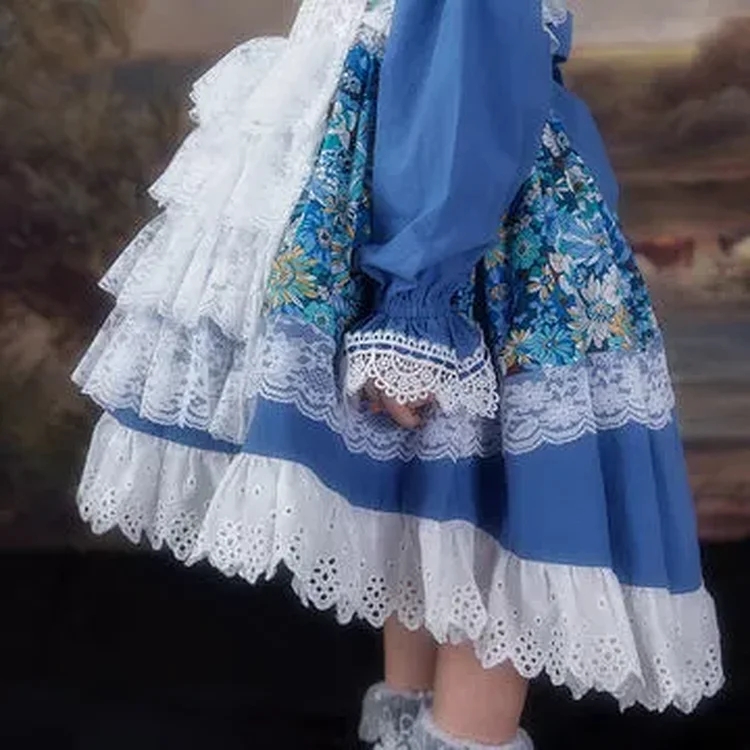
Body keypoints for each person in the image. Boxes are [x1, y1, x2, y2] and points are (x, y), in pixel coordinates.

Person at [73, 1, 724, 747]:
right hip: (408, 205)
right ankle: (407, 725)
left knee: (491, 515)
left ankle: (460, 732)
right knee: (429, 503)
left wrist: (417, 308)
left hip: (464, 231)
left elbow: (474, 84)